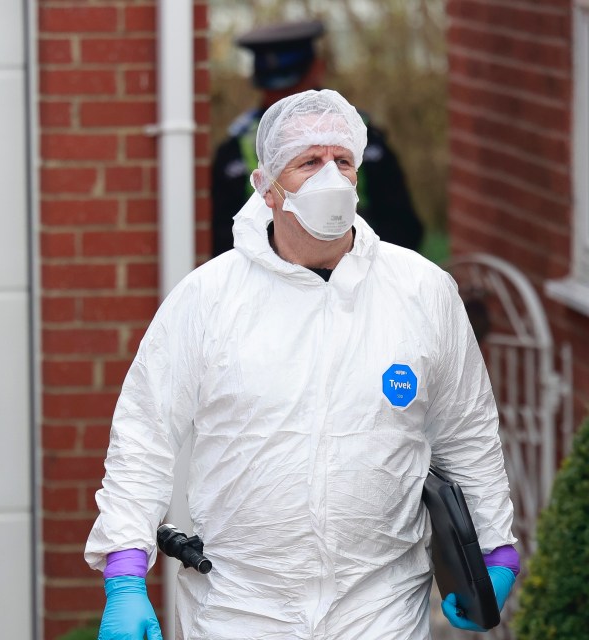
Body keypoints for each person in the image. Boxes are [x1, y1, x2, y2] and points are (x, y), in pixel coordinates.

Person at [86, 90, 518, 639]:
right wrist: (125, 574)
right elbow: (143, 437)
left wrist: (496, 546)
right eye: (309, 162)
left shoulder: (421, 291)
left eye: (342, 161)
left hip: (380, 604)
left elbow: (467, 431)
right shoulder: (208, 299)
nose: (330, 179)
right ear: (267, 188)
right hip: (239, 608)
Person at [211, 19, 424, 257]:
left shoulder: (358, 135)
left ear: (317, 69)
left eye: (294, 87)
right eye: (276, 91)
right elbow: (221, 238)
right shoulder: (236, 148)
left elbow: (402, 226)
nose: (287, 101)